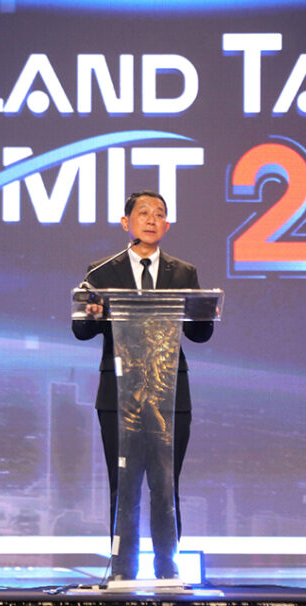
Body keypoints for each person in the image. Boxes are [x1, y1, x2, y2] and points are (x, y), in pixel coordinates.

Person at [72, 190, 213, 580]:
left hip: (170, 396)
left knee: (166, 485)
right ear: (126, 223)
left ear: (167, 225)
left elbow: (199, 335)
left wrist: (201, 311)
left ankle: (168, 571)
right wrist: (92, 314)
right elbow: (81, 331)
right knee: (123, 486)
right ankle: (122, 572)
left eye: (160, 214)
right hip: (118, 395)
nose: (152, 220)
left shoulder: (183, 273)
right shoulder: (102, 271)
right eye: (144, 213)